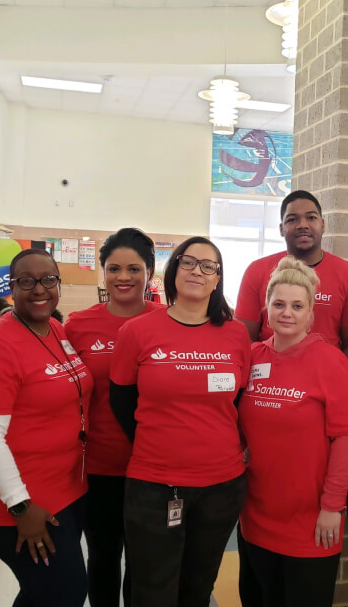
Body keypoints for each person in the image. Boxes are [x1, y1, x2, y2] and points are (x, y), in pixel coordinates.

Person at [109, 236, 251, 607]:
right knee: (152, 591)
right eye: (188, 262)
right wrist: (162, 444)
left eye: (208, 266)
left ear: (218, 279)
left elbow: (234, 400)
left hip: (221, 487)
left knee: (198, 588)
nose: (197, 271)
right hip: (155, 487)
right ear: (172, 271)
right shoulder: (137, 332)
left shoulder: (236, 335)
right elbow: (121, 400)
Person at [0, 249, 93, 607]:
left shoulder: (55, 329)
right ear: (11, 286)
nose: (39, 289)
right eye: (27, 281)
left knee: (47, 593)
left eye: (48, 280)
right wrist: (20, 506)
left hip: (65, 490)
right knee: (63, 592)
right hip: (19, 502)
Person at [238, 257, 348, 607]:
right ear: (266, 309)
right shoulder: (251, 358)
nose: (287, 313)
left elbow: (347, 438)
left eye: (297, 306)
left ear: (310, 313)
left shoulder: (331, 362)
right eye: (279, 304)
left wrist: (332, 507)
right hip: (256, 513)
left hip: (310, 519)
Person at [65, 228, 164, 606]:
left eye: (134, 269)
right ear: (102, 272)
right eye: (114, 268)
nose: (124, 277)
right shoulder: (78, 326)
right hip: (100, 466)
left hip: (154, 466)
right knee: (104, 559)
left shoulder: (167, 321)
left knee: (145, 564)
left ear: (150, 272)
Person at [235, 190, 348, 360]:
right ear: (281, 229)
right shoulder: (256, 271)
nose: (302, 225)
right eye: (292, 219)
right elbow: (245, 339)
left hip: (324, 378)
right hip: (269, 380)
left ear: (323, 225)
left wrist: (327, 374)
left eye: (311, 218)